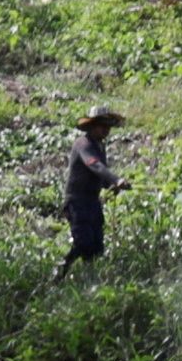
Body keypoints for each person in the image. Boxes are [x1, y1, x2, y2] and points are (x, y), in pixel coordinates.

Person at [63, 108, 123, 266]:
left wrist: (112, 185)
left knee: (97, 247)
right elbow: (95, 166)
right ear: (91, 126)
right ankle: (60, 271)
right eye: (102, 125)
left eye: (108, 126)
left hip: (92, 203)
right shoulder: (83, 144)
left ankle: (89, 281)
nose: (106, 130)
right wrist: (116, 179)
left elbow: (100, 177)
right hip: (77, 202)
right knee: (84, 243)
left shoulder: (99, 147)